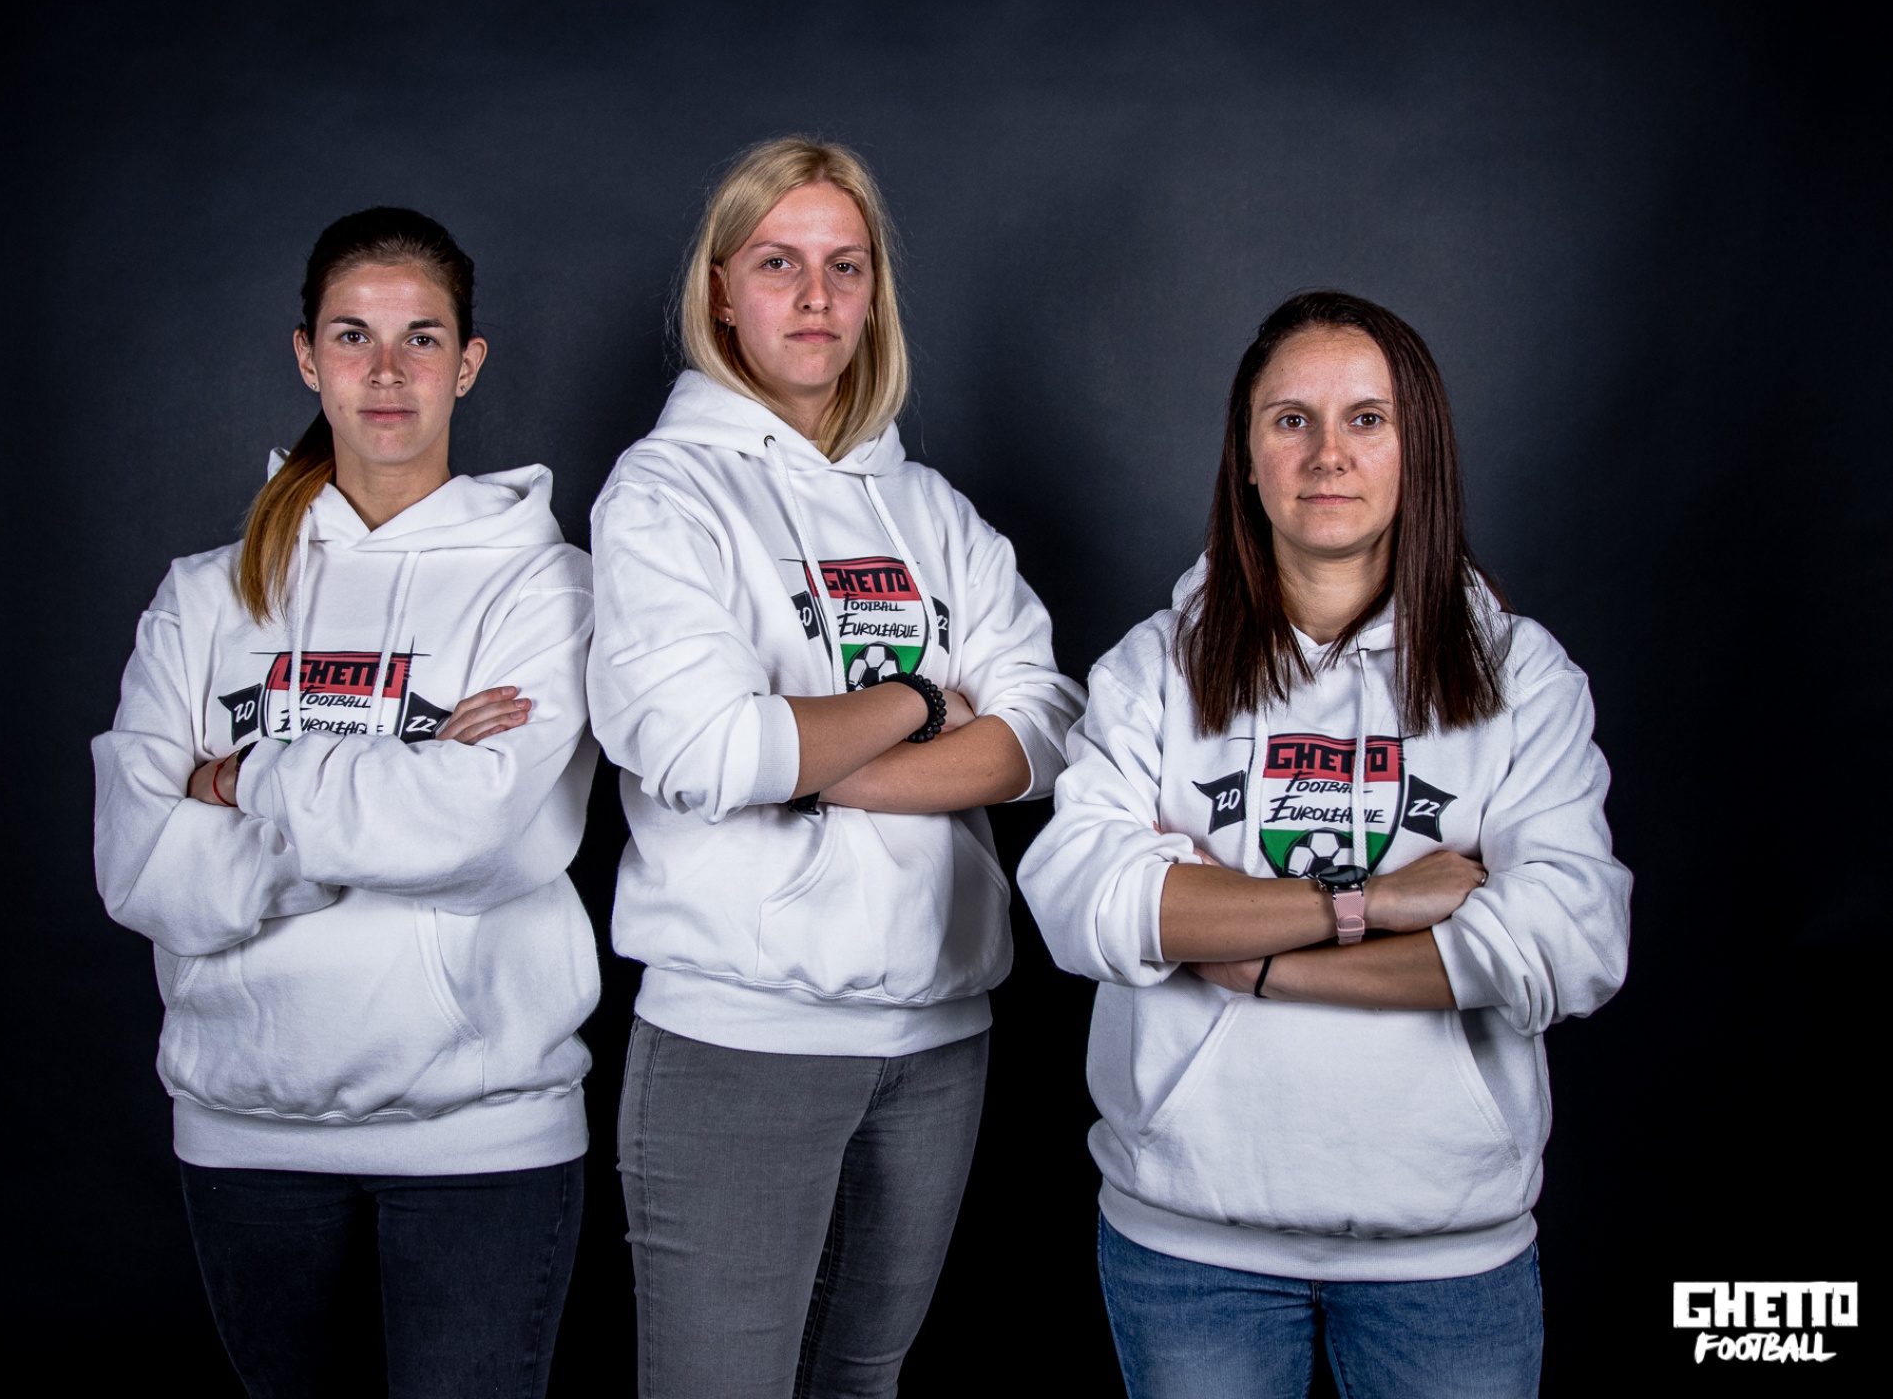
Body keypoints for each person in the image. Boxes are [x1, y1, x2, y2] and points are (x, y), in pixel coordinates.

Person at [1018, 291, 1630, 1398]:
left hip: (1445, 1251)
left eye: (1367, 419)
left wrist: (1247, 955)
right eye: (1290, 419)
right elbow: (1082, 900)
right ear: (1246, 459)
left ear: (1416, 452)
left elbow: (1567, 942)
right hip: (1189, 1244)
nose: (1327, 455)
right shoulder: (1154, 667)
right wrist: (1369, 904)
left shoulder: (1520, 676)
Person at [586, 138, 1085, 1398]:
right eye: (777, 263)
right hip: (739, 1036)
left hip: (939, 1038)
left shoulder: (930, 511)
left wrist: (806, 757)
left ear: (873, 296)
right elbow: (703, 747)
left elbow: (1043, 729)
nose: (814, 297)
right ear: (719, 291)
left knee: (861, 1384)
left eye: (844, 267)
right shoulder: (664, 494)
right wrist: (919, 702)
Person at [91, 207, 599, 1399]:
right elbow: (139, 867)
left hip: (481, 1139)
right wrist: (394, 800)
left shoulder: (547, 587)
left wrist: (244, 781)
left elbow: (479, 833)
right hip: (245, 1132)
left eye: (422, 338)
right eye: (351, 335)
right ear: (306, 357)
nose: (385, 371)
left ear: (467, 365)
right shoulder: (203, 597)